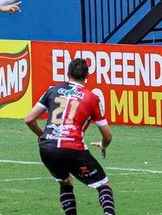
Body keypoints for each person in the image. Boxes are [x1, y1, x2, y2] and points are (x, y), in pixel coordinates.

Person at [24, 58, 115, 215]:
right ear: (87, 76)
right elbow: (107, 135)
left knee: (65, 182)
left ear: (67, 73)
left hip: (48, 148)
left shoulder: (52, 90)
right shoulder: (91, 97)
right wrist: (103, 145)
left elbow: (29, 119)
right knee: (103, 185)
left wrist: (42, 135)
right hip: (72, 147)